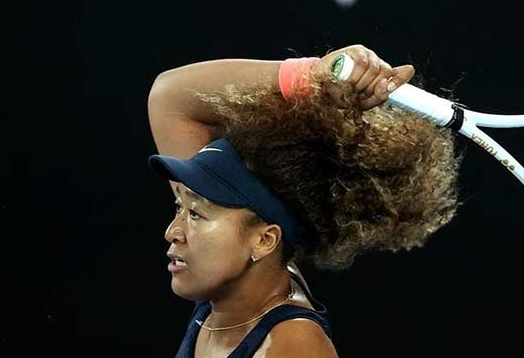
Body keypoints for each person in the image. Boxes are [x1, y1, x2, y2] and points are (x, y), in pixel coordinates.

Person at [148, 45, 461, 357]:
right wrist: (311, 77)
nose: (173, 231)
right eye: (181, 207)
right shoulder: (235, 292)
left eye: (197, 215)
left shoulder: (293, 347)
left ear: (264, 240)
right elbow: (170, 97)